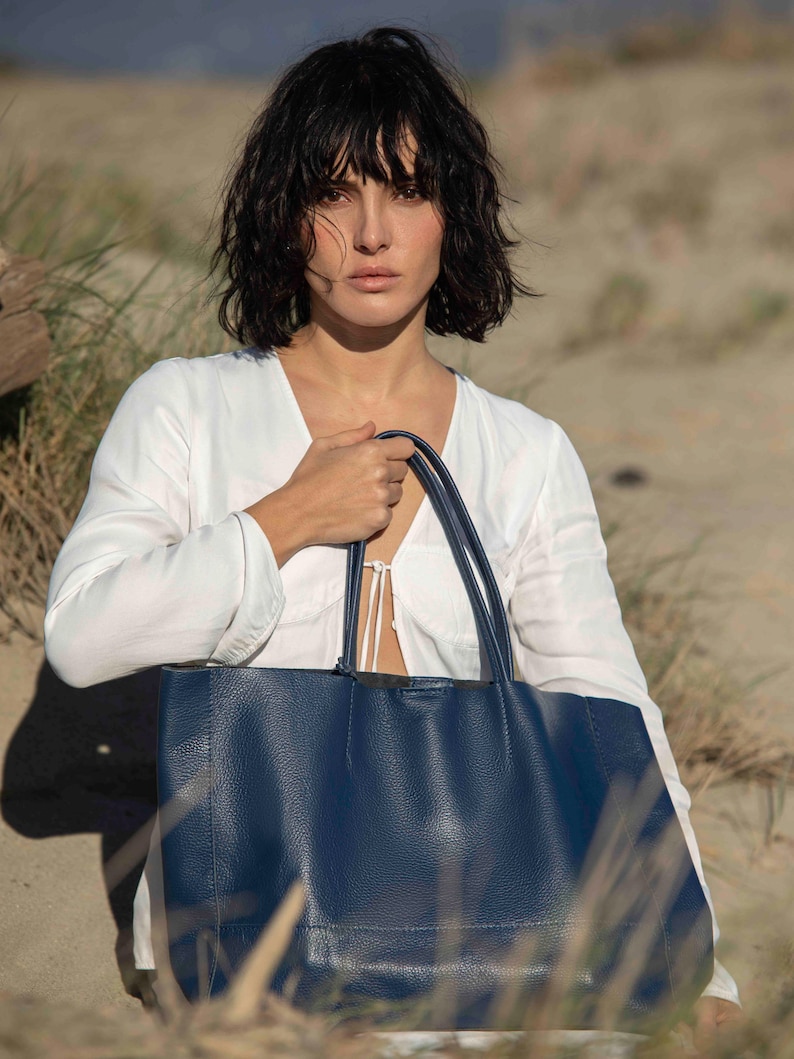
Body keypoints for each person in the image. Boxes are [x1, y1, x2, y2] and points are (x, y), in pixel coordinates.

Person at [43, 26, 740, 1046]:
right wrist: (285, 520)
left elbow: (606, 708)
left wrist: (699, 962)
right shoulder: (186, 407)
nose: (370, 233)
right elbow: (81, 635)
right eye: (333, 193)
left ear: (449, 218)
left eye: (407, 192)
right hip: (252, 931)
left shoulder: (522, 451)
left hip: (489, 925)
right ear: (286, 217)